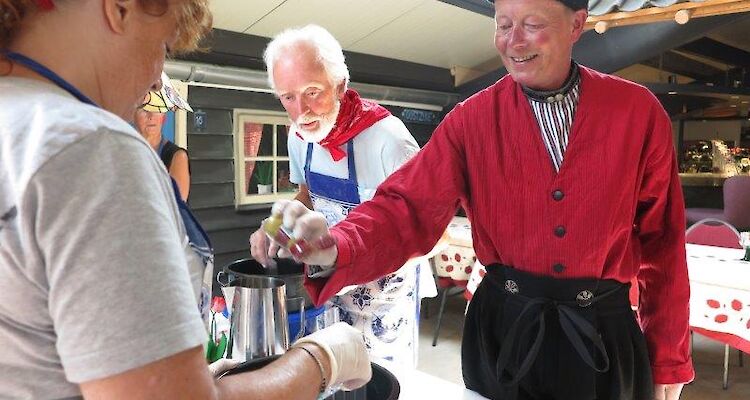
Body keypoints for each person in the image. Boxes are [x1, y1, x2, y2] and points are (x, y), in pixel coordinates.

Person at [268, 0, 694, 399]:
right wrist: (337, 245)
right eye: (504, 25)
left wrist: (669, 359)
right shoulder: (470, 121)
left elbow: (664, 244)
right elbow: (406, 207)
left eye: (532, 24)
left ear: (577, 24)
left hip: (604, 334)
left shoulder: (637, 113)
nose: (514, 41)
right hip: (504, 331)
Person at [0, 1, 370, 399]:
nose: (159, 81)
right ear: (119, 8)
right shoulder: (95, 149)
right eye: (164, 47)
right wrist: (321, 359)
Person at [249, 24, 432, 368]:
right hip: (328, 290)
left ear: (340, 85)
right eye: (288, 96)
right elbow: (306, 195)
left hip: (383, 303)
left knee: (380, 386)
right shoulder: (298, 137)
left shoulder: (389, 141)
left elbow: (424, 234)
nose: (302, 109)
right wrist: (273, 225)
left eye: (313, 91)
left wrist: (354, 262)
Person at [135, 75, 191, 201]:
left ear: (163, 117)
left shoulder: (177, 156)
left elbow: (177, 204)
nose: (151, 116)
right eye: (144, 110)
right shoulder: (127, 151)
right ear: (133, 115)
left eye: (156, 109)